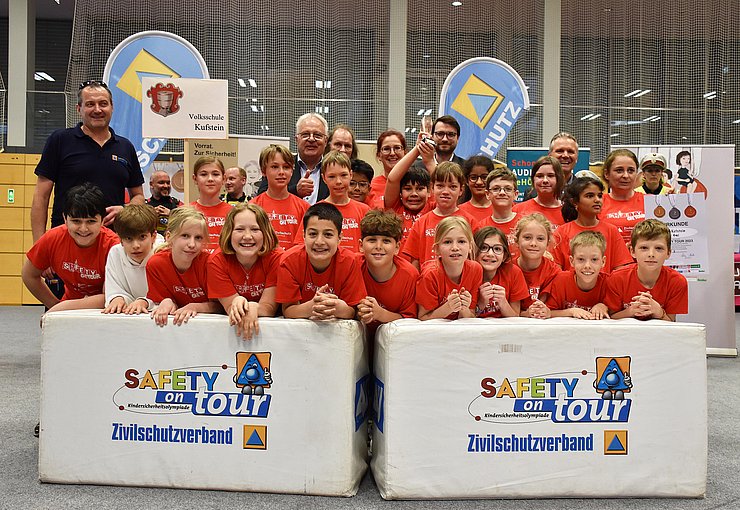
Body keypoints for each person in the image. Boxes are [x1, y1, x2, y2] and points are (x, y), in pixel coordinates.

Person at [31, 80, 144, 241]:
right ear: (79, 109)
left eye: (103, 104)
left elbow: (138, 196)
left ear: (112, 107)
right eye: (90, 104)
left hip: (112, 241)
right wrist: (39, 244)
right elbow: (41, 197)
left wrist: (126, 210)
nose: (97, 109)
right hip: (66, 239)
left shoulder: (126, 147)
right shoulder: (60, 140)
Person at [22, 183, 119, 311]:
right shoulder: (53, 238)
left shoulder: (114, 246)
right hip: (67, 306)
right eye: (76, 221)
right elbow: (28, 275)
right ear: (65, 219)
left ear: (102, 221)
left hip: (104, 311)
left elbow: (109, 297)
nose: (83, 229)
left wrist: (59, 309)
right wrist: (54, 305)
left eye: (91, 221)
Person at [276, 202, 367, 319]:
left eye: (328, 234)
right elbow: (288, 310)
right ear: (304, 236)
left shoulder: (350, 262)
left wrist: (335, 307)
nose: (319, 242)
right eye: (313, 234)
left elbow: (352, 311)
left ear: (339, 238)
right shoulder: (288, 261)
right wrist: (313, 307)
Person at [208, 203, 282, 339]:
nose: (247, 236)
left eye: (255, 229)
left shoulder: (277, 258)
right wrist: (237, 302)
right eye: (239, 229)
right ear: (229, 233)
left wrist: (254, 307)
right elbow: (232, 309)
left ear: (266, 232)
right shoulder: (216, 261)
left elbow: (269, 307)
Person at [146, 207, 220, 326]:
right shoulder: (156, 265)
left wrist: (195, 307)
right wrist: (165, 302)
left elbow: (221, 306)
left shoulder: (210, 264)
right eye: (185, 236)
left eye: (198, 238)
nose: (192, 244)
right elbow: (161, 299)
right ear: (169, 237)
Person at [605, 219, 688, 321]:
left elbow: (672, 323)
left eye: (659, 248)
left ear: (668, 253)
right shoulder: (616, 278)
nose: (651, 254)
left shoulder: (677, 281)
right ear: (632, 251)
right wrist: (631, 311)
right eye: (644, 248)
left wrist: (659, 312)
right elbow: (610, 319)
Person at [402, 162, 475, 269]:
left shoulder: (470, 222)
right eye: (440, 186)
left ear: (461, 190)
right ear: (432, 188)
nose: (445, 191)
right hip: (428, 283)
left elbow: (474, 260)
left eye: (452, 187)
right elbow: (415, 263)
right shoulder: (421, 223)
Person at [553, 175, 632, 273]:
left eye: (599, 195)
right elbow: (555, 270)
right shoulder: (561, 233)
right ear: (574, 202)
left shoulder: (611, 230)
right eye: (589, 196)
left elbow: (622, 269)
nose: (597, 200)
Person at [356, 210, 419, 325]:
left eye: (386, 241)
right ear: (360, 245)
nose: (379, 246)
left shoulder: (410, 275)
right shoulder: (352, 266)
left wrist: (380, 314)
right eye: (372, 240)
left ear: (397, 247)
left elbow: (410, 322)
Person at [416, 216, 481, 320]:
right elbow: (422, 318)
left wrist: (464, 309)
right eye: (447, 242)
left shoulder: (476, 269)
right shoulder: (430, 275)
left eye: (461, 241)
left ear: (470, 247)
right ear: (436, 249)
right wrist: (448, 308)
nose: (455, 248)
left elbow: (471, 315)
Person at [257, 113, 329, 204]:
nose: (311, 139)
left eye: (317, 135)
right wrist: (295, 190)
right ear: (297, 139)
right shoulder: (284, 165)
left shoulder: (332, 169)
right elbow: (262, 196)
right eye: (305, 134)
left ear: (326, 141)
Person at [102, 204, 161, 314]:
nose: (136, 245)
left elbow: (168, 295)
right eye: (129, 238)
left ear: (153, 236)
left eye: (142, 237)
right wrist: (117, 298)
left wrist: (145, 301)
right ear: (120, 239)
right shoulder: (115, 253)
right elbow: (114, 287)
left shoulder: (163, 253)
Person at [250, 144, 309, 249]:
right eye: (274, 167)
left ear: (292, 171)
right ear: (263, 171)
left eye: (286, 167)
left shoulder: (304, 208)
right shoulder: (253, 207)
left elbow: (303, 246)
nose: (281, 172)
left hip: (292, 264)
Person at [310, 151, 370, 253]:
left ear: (350, 175)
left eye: (343, 175)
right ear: (324, 178)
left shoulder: (364, 210)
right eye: (332, 177)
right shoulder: (316, 210)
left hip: (356, 267)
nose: (338, 181)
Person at [545, 231, 610, 320]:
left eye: (594, 259)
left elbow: (618, 313)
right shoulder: (561, 280)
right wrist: (571, 311)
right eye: (581, 259)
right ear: (572, 261)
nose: (587, 265)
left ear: (603, 262)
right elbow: (548, 312)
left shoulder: (609, 283)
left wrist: (604, 307)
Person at [513, 213, 561, 318]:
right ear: (516, 240)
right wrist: (525, 314)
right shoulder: (507, 269)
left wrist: (548, 312)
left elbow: (555, 308)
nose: (533, 243)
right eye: (527, 237)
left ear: (548, 242)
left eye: (540, 239)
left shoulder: (554, 272)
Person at [474, 226, 528, 318]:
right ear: (474, 252)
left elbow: (515, 318)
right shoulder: (466, 273)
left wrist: (503, 303)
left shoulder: (513, 273)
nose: (490, 254)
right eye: (483, 247)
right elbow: (463, 319)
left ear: (504, 256)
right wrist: (481, 303)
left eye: (497, 249)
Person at [600, 149, 645, 246]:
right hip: (609, 260)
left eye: (631, 170)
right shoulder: (597, 203)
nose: (625, 175)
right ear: (607, 174)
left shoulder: (650, 201)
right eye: (619, 170)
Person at [190, 156, 232, 254]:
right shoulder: (186, 212)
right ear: (195, 178)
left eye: (215, 174)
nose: (210, 179)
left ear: (224, 179)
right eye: (204, 174)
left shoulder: (233, 213)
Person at [513, 155, 565, 230]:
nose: (545, 180)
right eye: (540, 176)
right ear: (533, 179)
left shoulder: (568, 212)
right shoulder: (518, 210)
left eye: (550, 176)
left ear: (559, 179)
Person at [474, 168, 521, 247]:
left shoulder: (525, 224)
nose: (502, 193)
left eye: (508, 189)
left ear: (516, 194)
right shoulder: (480, 227)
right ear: (487, 194)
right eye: (496, 189)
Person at [369, 129, 408, 208]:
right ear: (379, 155)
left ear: (405, 152)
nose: (392, 153)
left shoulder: (417, 184)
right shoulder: (371, 187)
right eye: (386, 149)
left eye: (397, 148)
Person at [459, 156, 494, 223]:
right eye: (473, 177)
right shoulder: (459, 211)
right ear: (466, 181)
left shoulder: (501, 208)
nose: (479, 182)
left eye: (484, 177)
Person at [146, 170, 182, 236]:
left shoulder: (178, 205)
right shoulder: (144, 206)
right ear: (151, 184)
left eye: (168, 183)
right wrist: (150, 215)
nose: (166, 186)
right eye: (161, 182)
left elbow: (188, 222)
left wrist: (171, 214)